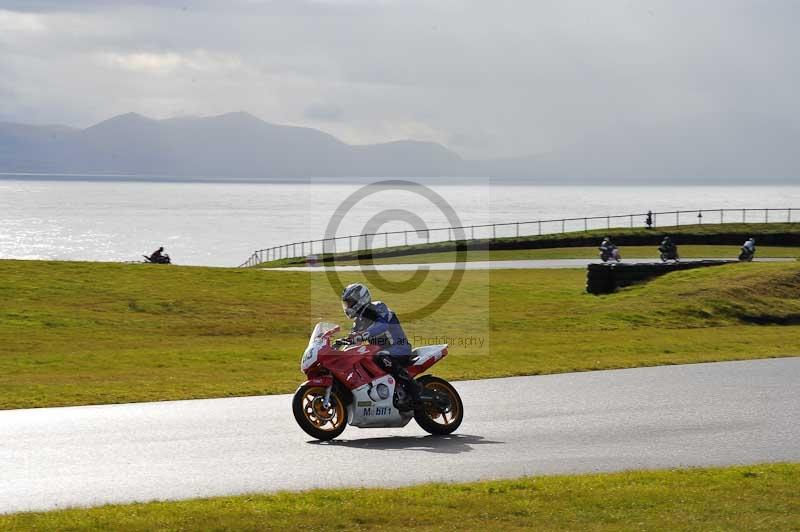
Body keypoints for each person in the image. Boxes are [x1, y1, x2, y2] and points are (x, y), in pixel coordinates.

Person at [340, 283, 422, 408]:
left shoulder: (378, 307)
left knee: (381, 356)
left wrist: (362, 335)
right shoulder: (358, 322)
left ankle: (415, 390)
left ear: (360, 299)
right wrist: (340, 346)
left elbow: (382, 325)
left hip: (399, 348)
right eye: (346, 304)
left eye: (350, 303)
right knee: (360, 360)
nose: (348, 307)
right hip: (379, 353)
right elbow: (354, 341)